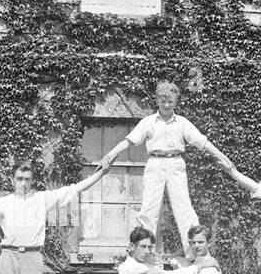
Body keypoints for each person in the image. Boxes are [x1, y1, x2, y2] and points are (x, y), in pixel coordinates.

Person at [98, 81, 232, 257]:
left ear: (176, 102)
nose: (167, 105)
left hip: (176, 164)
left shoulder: (182, 123)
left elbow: (202, 142)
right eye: (163, 101)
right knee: (148, 211)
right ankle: (142, 256)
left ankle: (195, 256)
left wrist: (223, 156)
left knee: (184, 210)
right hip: (155, 164)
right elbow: (129, 141)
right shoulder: (148, 122)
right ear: (157, 101)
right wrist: (109, 155)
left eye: (170, 101)